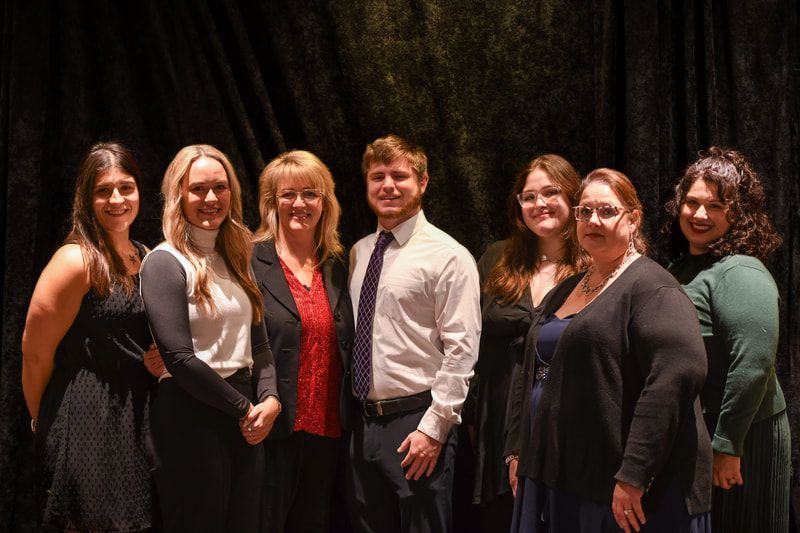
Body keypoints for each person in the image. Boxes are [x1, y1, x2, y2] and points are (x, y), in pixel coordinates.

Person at [507, 168, 712, 533]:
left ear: (633, 219)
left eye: (606, 211)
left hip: (623, 485)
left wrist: (635, 472)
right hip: (562, 474)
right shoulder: (569, 286)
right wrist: (520, 450)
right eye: (585, 211)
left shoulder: (652, 288)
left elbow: (675, 378)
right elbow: (531, 367)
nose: (593, 220)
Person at [139, 144, 280, 532]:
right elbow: (179, 358)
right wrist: (244, 409)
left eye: (220, 187)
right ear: (179, 195)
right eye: (198, 189)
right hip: (190, 414)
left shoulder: (238, 256)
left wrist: (270, 400)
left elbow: (261, 346)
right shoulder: (164, 262)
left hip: (243, 415)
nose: (211, 198)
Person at [346, 134, 481, 533]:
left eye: (399, 176)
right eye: (377, 176)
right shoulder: (358, 252)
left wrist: (434, 428)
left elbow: (462, 349)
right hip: (361, 425)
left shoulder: (448, 255)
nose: (388, 185)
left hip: (417, 423)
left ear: (423, 183)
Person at [22, 142, 158, 531]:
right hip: (85, 413)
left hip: (135, 412)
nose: (116, 199)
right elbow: (34, 355)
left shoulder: (145, 255)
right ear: (86, 197)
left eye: (126, 187)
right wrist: (44, 420)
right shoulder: (75, 260)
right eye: (103, 190)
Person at [665, 147, 790, 532]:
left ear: (737, 214)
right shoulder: (685, 266)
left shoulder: (740, 271)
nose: (700, 215)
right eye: (692, 202)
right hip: (702, 436)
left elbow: (752, 365)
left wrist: (726, 445)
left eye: (716, 206)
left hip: (742, 438)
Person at [470, 154, 587, 531]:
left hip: (560, 423)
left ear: (573, 197)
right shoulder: (496, 259)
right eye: (529, 196)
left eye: (551, 193)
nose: (539, 204)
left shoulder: (594, 267)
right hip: (493, 419)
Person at [250, 150, 354, 532]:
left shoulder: (338, 266)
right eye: (288, 194)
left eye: (310, 194)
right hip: (270, 429)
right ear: (271, 203)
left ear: (325, 203)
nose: (299, 203)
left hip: (327, 431)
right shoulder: (248, 261)